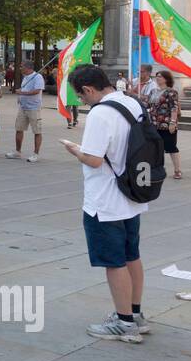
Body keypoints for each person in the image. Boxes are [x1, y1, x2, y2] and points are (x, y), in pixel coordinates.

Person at [62, 64, 149, 343]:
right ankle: (135, 314)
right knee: (131, 254)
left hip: (105, 200)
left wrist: (75, 150)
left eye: (81, 96)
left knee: (114, 262)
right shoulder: (132, 103)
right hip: (133, 194)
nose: (82, 101)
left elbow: (94, 158)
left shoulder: (101, 113)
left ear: (88, 89)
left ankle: (124, 323)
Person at [6, 59, 45, 162]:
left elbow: (37, 91)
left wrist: (22, 93)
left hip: (34, 108)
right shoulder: (25, 77)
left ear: (28, 67)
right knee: (19, 129)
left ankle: (35, 154)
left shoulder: (38, 77)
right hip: (23, 107)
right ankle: (18, 152)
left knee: (37, 131)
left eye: (22, 66)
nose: (20, 68)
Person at [149, 70, 182, 180]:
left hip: (166, 124)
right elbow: (148, 104)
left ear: (166, 79)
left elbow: (174, 107)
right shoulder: (153, 91)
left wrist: (173, 122)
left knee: (171, 147)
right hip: (154, 124)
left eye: (160, 76)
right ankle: (158, 169)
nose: (157, 78)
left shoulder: (171, 92)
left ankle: (177, 170)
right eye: (157, 76)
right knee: (155, 148)